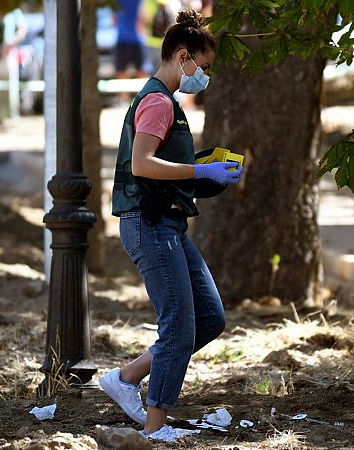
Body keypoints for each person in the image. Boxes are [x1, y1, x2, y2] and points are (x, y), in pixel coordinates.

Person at [101, 8, 242, 438]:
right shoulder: (159, 101)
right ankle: (154, 428)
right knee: (179, 326)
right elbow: (143, 165)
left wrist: (204, 170)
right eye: (203, 66)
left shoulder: (168, 102)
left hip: (169, 225)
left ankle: (126, 378)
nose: (204, 76)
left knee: (209, 318)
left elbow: (163, 168)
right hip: (150, 226)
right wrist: (200, 172)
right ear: (183, 56)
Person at [115, 0, 149, 80]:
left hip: (122, 38)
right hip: (137, 39)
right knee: (142, 73)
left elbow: (114, 19)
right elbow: (144, 17)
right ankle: (146, 93)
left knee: (121, 74)